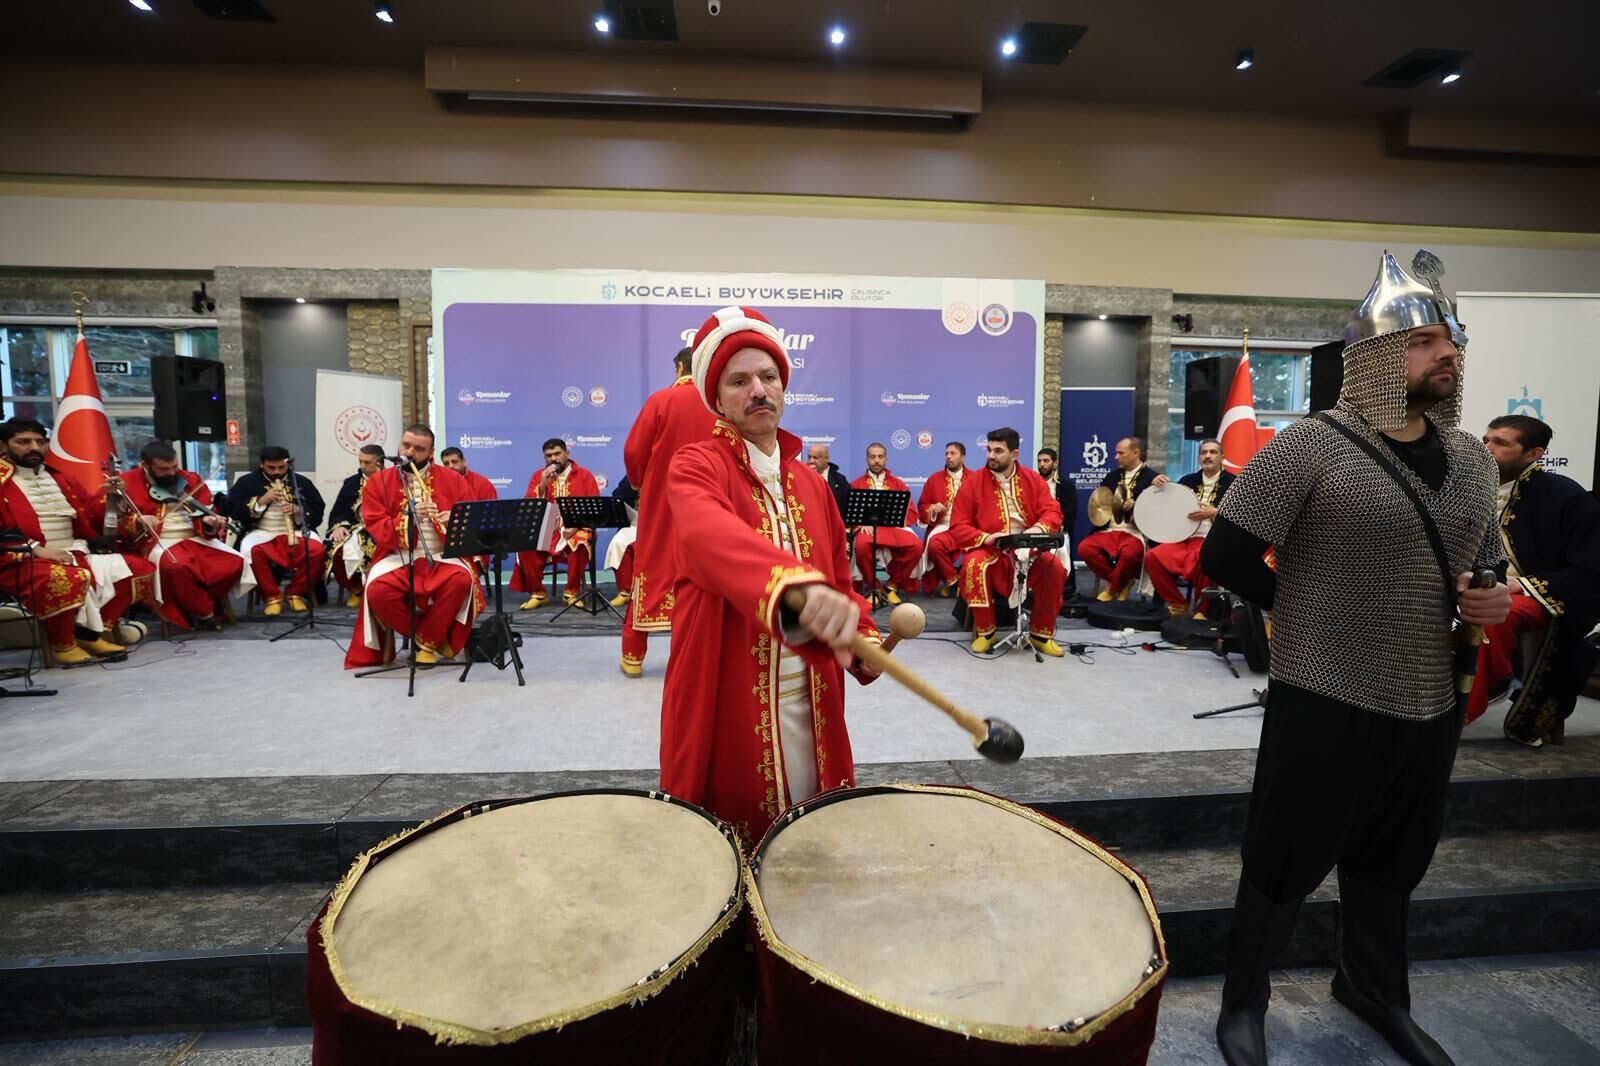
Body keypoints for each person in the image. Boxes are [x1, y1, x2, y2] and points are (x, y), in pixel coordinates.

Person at [1201, 251, 1509, 1066]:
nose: (1447, 352)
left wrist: (1491, 597)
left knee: (1394, 857)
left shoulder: (1474, 459)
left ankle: (1374, 989)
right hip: (1324, 688)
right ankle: (1243, 1005)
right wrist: (1306, 619)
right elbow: (1226, 557)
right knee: (1283, 853)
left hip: (1428, 694)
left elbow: (1488, 562)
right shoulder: (1311, 447)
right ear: (1373, 358)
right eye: (1424, 341)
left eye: (1451, 341)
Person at [659, 306, 881, 841]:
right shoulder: (696, 465)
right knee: (734, 845)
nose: (758, 390)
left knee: (813, 835)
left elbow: (837, 580)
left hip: (812, 692)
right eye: (739, 381)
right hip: (727, 687)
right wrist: (789, 584)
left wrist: (862, 635)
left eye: (769, 377)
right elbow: (709, 536)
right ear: (717, 399)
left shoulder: (812, 482)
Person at [1473, 415, 1600, 746]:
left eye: (1500, 443)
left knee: (1492, 616)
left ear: (1533, 454)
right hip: (1478, 585)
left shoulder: (1564, 496)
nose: (1487, 448)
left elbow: (1588, 572)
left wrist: (1520, 585)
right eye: (1486, 439)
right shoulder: (1470, 488)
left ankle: (1459, 711)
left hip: (1542, 595)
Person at [0, 419, 153, 664]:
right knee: (68, 576)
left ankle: (91, 633)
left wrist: (111, 499)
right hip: (19, 559)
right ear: (3, 446)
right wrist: (36, 549)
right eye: (23, 442)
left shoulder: (63, 479)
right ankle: (63, 643)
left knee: (138, 568)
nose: (34, 448)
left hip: (75, 550)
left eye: (40, 442)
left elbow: (90, 516)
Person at [344, 423, 482, 668]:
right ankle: (433, 638)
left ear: (430, 452)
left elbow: (472, 521)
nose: (409, 452)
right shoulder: (379, 482)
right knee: (376, 591)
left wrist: (456, 519)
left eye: (418, 449)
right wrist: (411, 516)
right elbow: (377, 527)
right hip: (396, 555)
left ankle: (426, 642)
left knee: (462, 580)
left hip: (442, 554)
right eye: (406, 445)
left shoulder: (452, 479)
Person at [619, 346, 717, 676]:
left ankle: (634, 654)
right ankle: (700, 657)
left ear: (679, 367)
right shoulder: (717, 404)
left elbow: (634, 451)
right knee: (706, 571)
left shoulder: (661, 400)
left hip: (664, 499)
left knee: (652, 564)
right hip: (709, 499)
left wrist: (639, 484)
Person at [948, 427, 1067, 657]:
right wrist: (987, 537)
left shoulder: (1033, 479)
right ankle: (986, 632)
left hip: (1029, 548)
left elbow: (1053, 511)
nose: (991, 455)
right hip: (992, 549)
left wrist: (1036, 531)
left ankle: (1041, 635)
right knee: (974, 565)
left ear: (1014, 454)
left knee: (1054, 568)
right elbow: (958, 525)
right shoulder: (973, 483)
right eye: (989, 450)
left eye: (998, 451)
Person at [117, 440, 245, 631]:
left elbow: (206, 510)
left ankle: (189, 602)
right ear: (145, 465)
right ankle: (204, 613)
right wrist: (138, 519)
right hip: (158, 541)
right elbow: (115, 519)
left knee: (235, 561)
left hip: (195, 537)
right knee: (177, 565)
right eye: (163, 469)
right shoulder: (127, 483)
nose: (171, 473)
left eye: (174, 467)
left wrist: (209, 523)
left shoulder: (190, 479)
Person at [226, 446, 325, 617]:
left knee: (316, 550)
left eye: (281, 467)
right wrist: (261, 501)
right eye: (272, 468)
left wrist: (297, 510)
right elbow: (232, 509)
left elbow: (318, 509)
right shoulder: (247, 482)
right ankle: (272, 596)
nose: (277, 472)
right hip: (261, 531)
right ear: (262, 465)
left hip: (295, 530)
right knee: (254, 552)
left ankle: (295, 592)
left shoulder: (300, 482)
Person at [1146, 438, 1234, 617]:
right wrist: (1157, 483)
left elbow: (1242, 517)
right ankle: (1178, 603)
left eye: (1212, 452)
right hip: (1184, 538)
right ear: (1198, 458)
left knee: (1208, 558)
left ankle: (1203, 609)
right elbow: (1169, 505)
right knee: (1152, 557)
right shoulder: (1187, 480)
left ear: (1222, 457)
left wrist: (1214, 512)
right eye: (1203, 453)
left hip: (1214, 539)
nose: (1207, 456)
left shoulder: (1234, 483)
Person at [509, 439, 600, 609]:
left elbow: (594, 507)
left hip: (577, 526)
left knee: (581, 542)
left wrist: (575, 526)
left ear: (567, 454)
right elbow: (531, 506)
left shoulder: (584, 475)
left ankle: (571, 592)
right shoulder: (538, 476)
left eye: (557, 454)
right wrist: (542, 484)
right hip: (547, 527)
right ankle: (538, 593)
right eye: (548, 456)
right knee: (525, 544)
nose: (553, 459)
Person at [1079, 436, 1157, 601]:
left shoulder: (1152, 478)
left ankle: (1111, 589)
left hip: (1135, 532)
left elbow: (1155, 513)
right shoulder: (1111, 477)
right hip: (1110, 530)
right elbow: (1101, 504)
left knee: (1130, 554)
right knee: (1085, 549)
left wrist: (1134, 508)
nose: (1116, 457)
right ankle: (1122, 583)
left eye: (1121, 453)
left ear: (1136, 453)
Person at [849, 443, 922, 605]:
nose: (876, 460)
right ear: (867, 459)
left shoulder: (898, 483)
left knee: (916, 546)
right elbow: (851, 513)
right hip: (869, 530)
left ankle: (892, 586)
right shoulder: (856, 483)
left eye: (880, 457)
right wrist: (860, 523)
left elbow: (910, 511)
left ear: (886, 459)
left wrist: (899, 520)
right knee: (861, 545)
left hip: (894, 528)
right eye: (872, 457)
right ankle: (873, 588)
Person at [326, 445, 384, 608]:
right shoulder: (351, 483)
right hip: (357, 527)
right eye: (361, 462)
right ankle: (355, 589)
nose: (362, 466)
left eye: (367, 462)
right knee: (334, 549)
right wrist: (339, 526)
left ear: (379, 463)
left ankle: (377, 592)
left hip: (385, 527)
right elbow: (339, 510)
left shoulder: (392, 480)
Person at [918, 441, 970, 596]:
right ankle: (953, 580)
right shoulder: (934, 479)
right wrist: (933, 509)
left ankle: (951, 583)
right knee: (934, 546)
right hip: (943, 526)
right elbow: (922, 506)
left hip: (969, 527)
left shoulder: (976, 478)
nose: (948, 457)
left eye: (953, 453)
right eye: (946, 453)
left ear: (963, 457)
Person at [605, 474, 641, 609]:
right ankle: (625, 591)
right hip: (636, 523)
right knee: (618, 543)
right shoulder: (632, 476)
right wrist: (633, 484)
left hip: (661, 525)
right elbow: (617, 496)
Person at [807, 442, 851, 529]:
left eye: (816, 458)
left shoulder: (839, 480)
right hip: (810, 525)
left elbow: (846, 508)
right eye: (809, 457)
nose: (811, 461)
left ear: (826, 459)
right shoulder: (801, 476)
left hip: (833, 526)